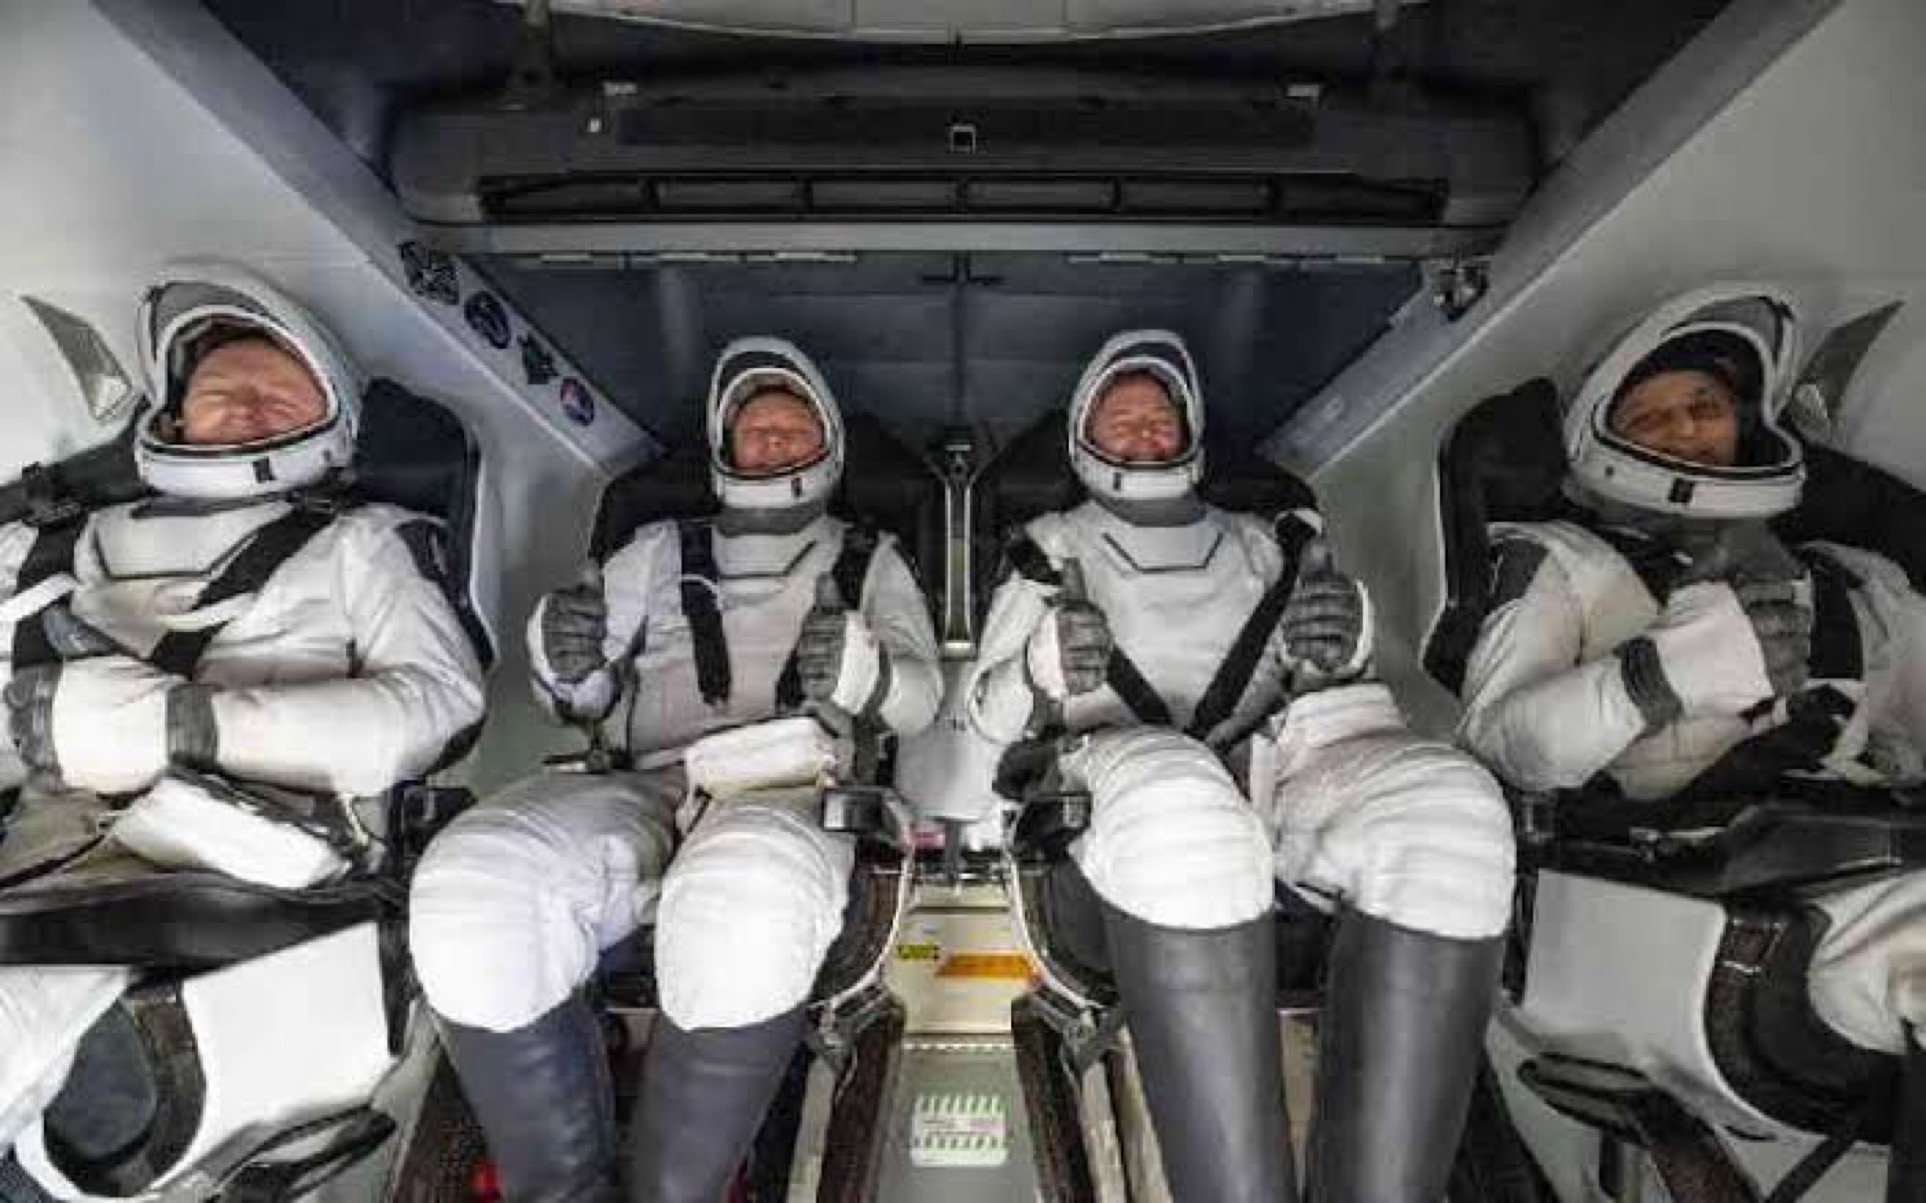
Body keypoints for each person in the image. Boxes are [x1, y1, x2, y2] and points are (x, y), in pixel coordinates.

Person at [965, 329, 1515, 1202]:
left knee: (1452, 808)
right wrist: (1038, 668)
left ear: (1190, 430)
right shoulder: (1048, 550)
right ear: (1083, 438)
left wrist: (1344, 641)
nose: (1143, 432)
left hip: (1273, 784)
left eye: (1159, 416)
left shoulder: (1268, 545)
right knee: (1183, 802)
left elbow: (1323, 681)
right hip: (1113, 809)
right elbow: (982, 722)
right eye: (1121, 419)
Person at [409, 338, 942, 1203]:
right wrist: (564, 658)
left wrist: (864, 672)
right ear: (725, 447)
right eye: (756, 429)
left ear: (829, 447)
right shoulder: (655, 549)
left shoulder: (870, 557)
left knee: (743, 892)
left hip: (793, 786)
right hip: (643, 782)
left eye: (793, 429)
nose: (774, 442)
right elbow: (578, 697)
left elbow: (918, 699)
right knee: (473, 882)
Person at [0, 265, 487, 1152]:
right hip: (48, 859)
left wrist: (187, 725)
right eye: (224, 390)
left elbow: (440, 708)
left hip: (242, 863)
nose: (249, 407)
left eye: (280, 395)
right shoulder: (56, 546)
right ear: (176, 415)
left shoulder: (365, 540)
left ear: (332, 427)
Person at [1458, 283, 1926, 1100]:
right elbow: (1503, 745)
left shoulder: (1855, 580)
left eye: (1704, 407)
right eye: (1651, 416)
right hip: (1703, 905)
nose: (1686, 431)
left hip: (1863, 858)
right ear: (1600, 438)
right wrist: (1659, 675)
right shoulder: (1562, 561)